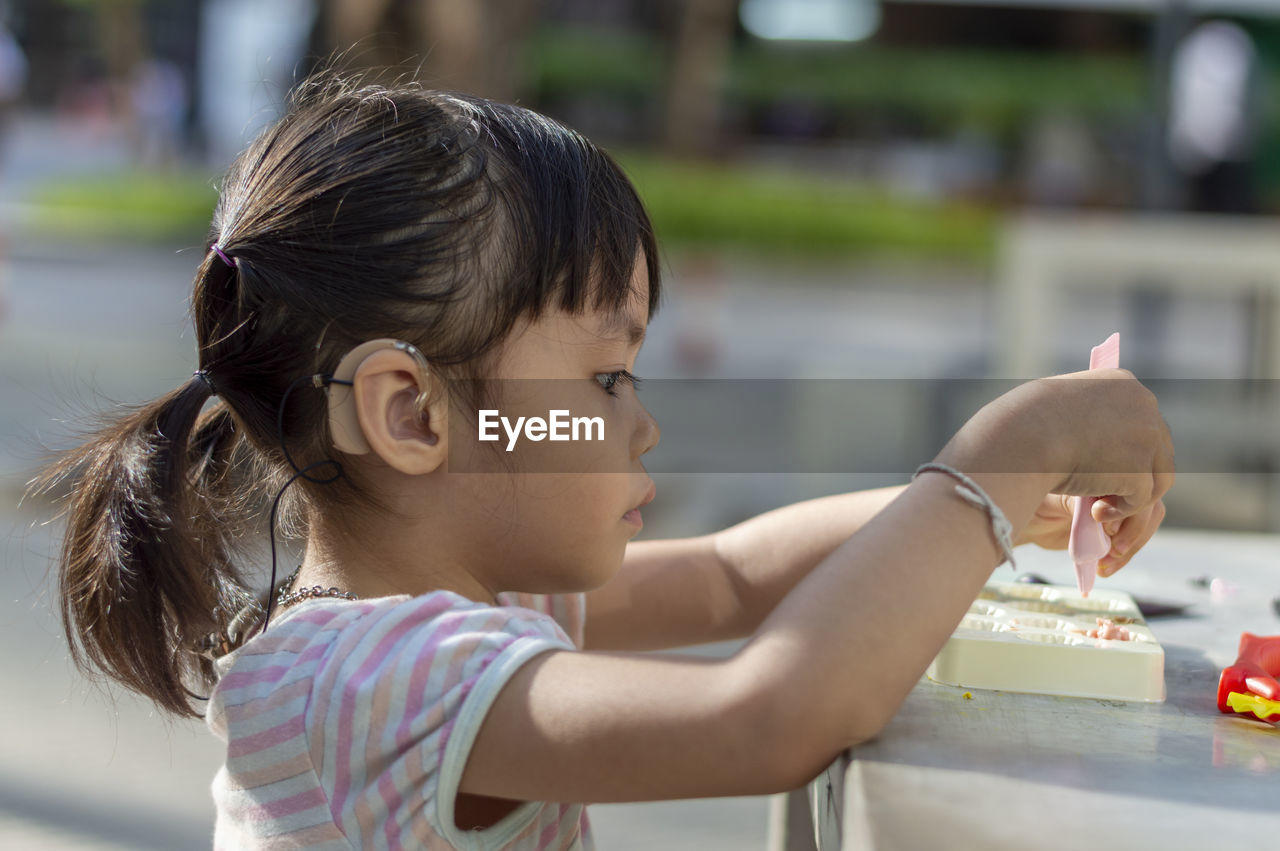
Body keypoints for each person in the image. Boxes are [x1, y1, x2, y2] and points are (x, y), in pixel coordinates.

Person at [37, 75, 1173, 850]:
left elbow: (732, 574)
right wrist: (995, 459)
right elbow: (767, 718)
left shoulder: (474, 601)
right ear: (415, 415)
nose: (641, 425)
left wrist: (984, 504)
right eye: (604, 380)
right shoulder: (371, 681)